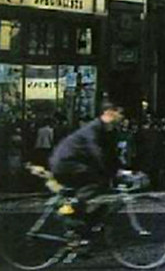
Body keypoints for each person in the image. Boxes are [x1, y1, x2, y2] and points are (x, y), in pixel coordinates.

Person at [49, 102, 125, 239]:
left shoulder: (109, 130)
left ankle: (79, 226)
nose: (122, 117)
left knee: (100, 190)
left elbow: (111, 155)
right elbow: (97, 152)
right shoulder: (94, 128)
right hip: (66, 162)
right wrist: (111, 172)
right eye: (119, 113)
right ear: (109, 113)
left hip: (77, 163)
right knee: (96, 182)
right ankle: (67, 209)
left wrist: (123, 170)